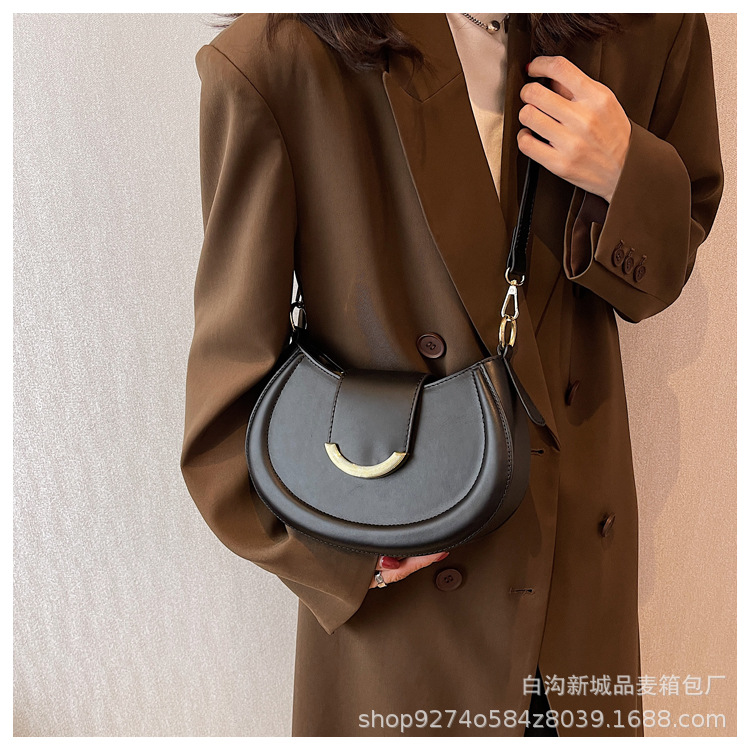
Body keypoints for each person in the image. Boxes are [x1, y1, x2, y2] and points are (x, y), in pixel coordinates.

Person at [180, 12, 723, 737]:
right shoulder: (281, 59)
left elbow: (659, 276)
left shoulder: (644, 26)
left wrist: (626, 169)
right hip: (410, 631)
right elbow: (226, 409)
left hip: (576, 606)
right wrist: (346, 560)